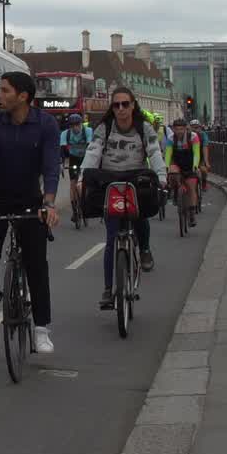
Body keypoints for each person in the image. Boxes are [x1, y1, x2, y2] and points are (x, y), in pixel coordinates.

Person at [0, 71, 60, 358]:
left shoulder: (45, 124)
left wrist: (49, 203)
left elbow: (51, 167)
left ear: (23, 96)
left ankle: (42, 329)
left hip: (30, 200)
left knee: (36, 263)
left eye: (5, 91)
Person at [77, 85, 168, 310]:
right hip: (110, 181)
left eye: (125, 104)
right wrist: (82, 178)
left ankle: (144, 249)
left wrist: (162, 176)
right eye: (116, 105)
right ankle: (109, 290)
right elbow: (93, 153)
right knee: (111, 237)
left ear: (133, 105)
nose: (120, 109)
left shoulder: (143, 128)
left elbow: (155, 153)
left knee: (140, 216)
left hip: (136, 178)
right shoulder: (104, 128)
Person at [167, 117, 202, 221]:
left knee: (191, 187)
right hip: (177, 163)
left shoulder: (193, 136)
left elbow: (196, 153)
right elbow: (168, 154)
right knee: (172, 172)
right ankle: (175, 191)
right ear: (173, 129)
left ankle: (191, 213)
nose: (179, 132)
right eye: (177, 129)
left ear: (186, 129)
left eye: (181, 129)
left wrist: (195, 165)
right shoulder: (171, 138)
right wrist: (166, 166)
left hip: (190, 163)